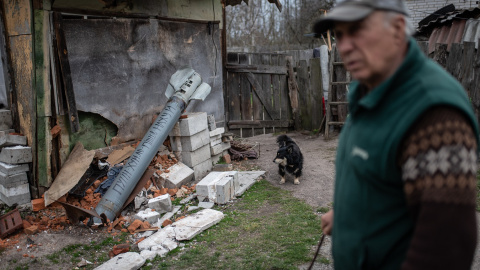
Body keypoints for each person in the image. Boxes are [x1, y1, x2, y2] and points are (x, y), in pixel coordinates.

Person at [313, 0, 479, 269]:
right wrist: (347, 215)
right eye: (340, 34)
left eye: (357, 30)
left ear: (397, 28)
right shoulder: (370, 92)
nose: (344, 46)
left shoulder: (432, 113)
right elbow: (382, 181)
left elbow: (445, 250)